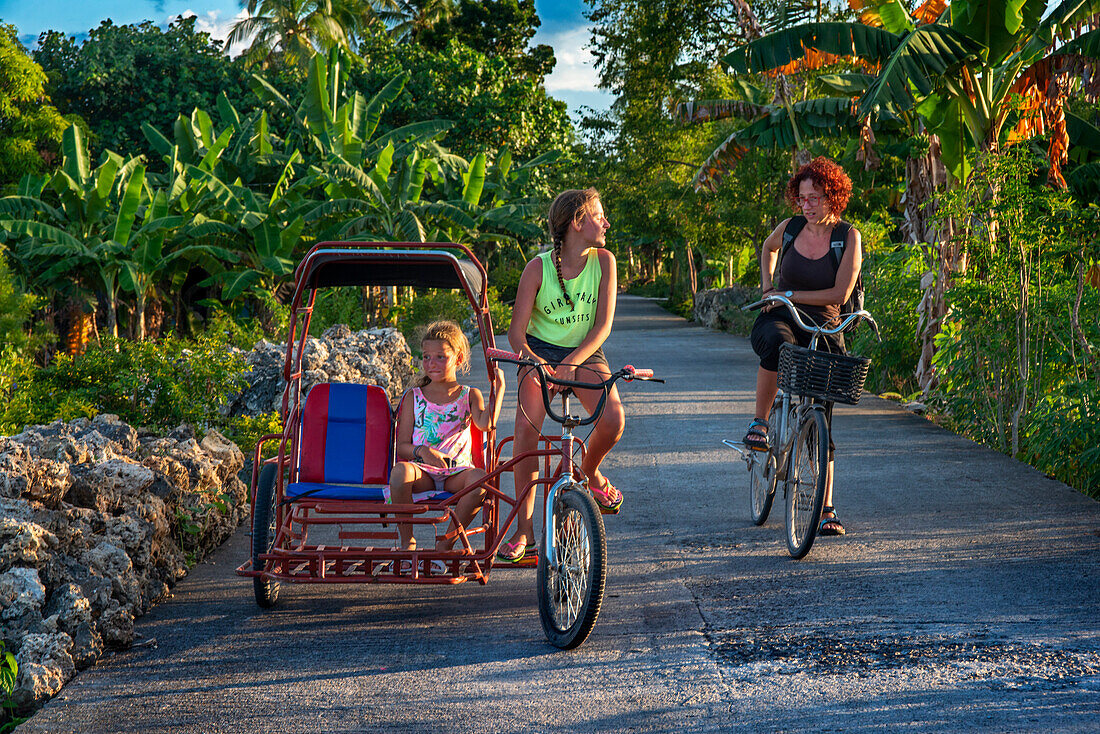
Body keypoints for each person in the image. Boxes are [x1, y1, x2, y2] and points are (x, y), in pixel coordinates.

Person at [497, 187, 625, 563]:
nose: (606, 222)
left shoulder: (605, 261)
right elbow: (516, 334)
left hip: (584, 350)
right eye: (599, 216)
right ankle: (525, 533)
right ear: (577, 222)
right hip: (539, 351)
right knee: (526, 429)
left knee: (613, 419)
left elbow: (602, 326)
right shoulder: (537, 267)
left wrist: (572, 362)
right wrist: (537, 362)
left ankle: (589, 476)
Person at [744, 157, 862, 537]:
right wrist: (768, 289)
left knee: (823, 420)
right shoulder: (791, 228)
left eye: (815, 198)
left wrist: (788, 292)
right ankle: (760, 423)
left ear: (834, 197)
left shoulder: (848, 237)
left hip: (826, 321)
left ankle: (826, 508)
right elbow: (767, 247)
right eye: (803, 197)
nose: (806, 205)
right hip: (783, 314)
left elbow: (840, 293)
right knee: (777, 344)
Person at [388, 320, 505, 553]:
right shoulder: (414, 397)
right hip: (423, 472)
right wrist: (422, 451)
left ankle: (445, 542)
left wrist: (499, 390)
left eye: (440, 357)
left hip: (456, 473)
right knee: (400, 471)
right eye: (426, 357)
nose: (431, 363)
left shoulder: (469, 395)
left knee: (480, 480)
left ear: (458, 359)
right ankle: (407, 541)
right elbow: (401, 447)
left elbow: (486, 423)